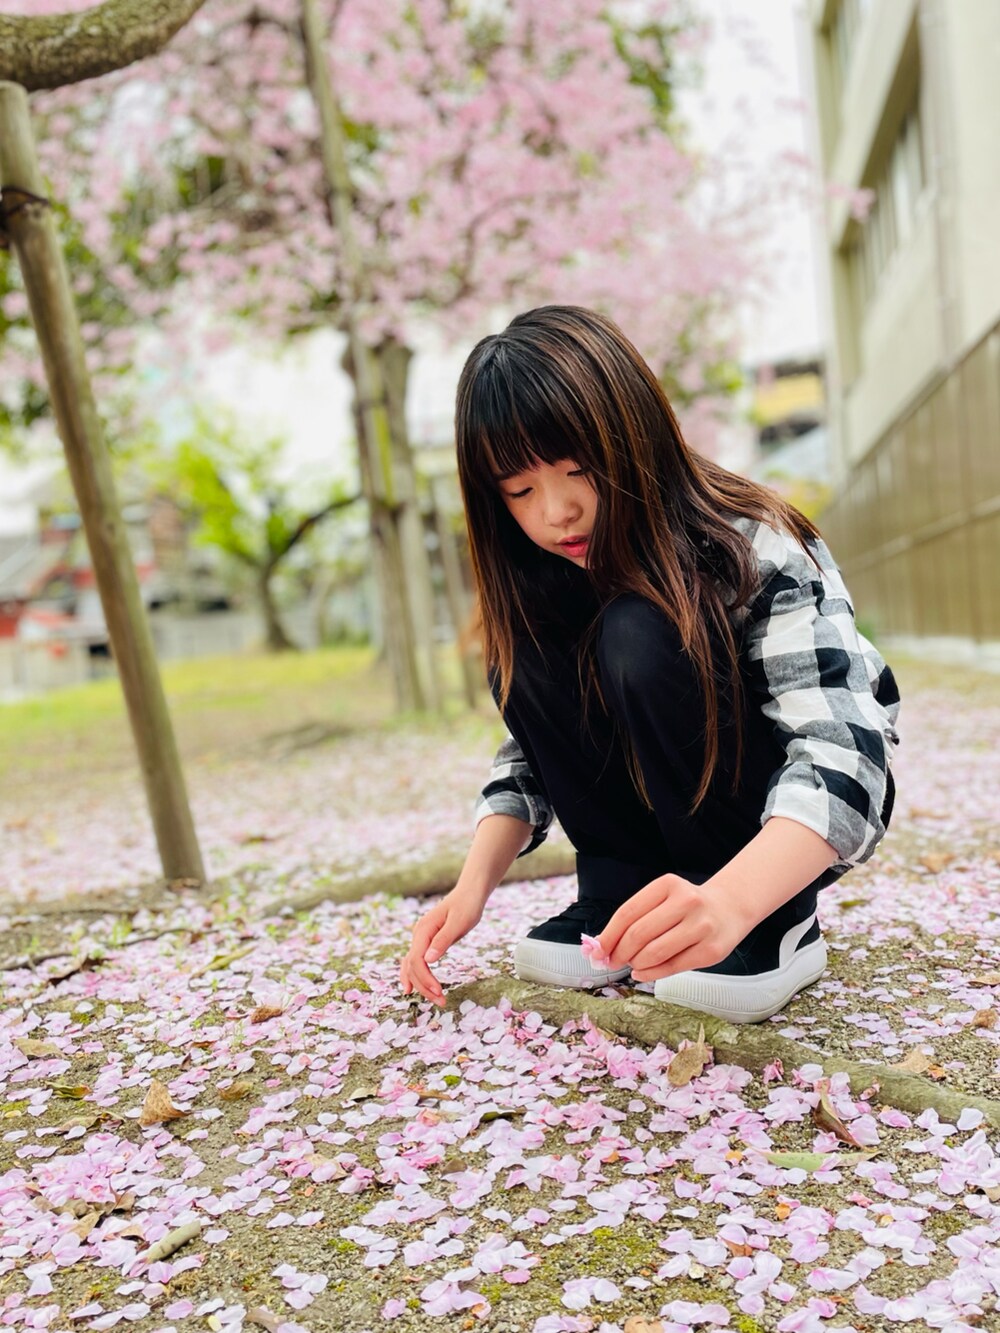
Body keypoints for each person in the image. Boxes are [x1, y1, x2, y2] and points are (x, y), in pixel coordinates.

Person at [399, 306, 900, 1024]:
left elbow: (845, 753)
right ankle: (624, 888)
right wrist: (472, 884)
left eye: (579, 470)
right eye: (519, 490)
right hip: (647, 838)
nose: (558, 511)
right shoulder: (552, 572)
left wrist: (731, 898)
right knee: (522, 652)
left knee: (639, 629)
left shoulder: (753, 546)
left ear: (636, 441)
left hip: (759, 841)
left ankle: (774, 921)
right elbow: (539, 751)